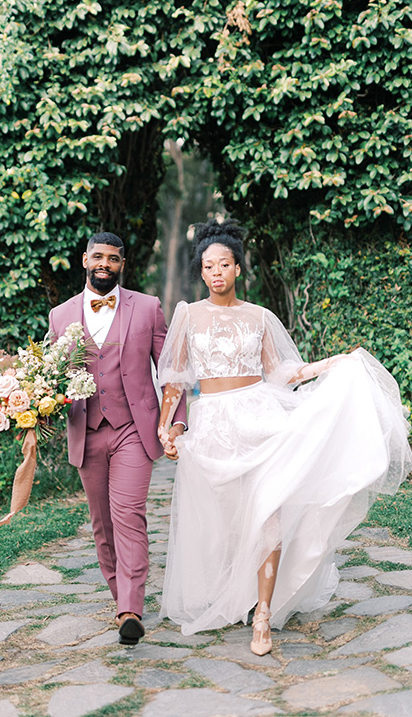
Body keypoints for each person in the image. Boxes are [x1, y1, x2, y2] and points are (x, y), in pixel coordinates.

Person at [157, 218, 412, 656]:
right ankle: (236, 596)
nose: (216, 272)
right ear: (201, 272)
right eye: (208, 266)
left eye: (224, 265)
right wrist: (167, 426)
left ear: (238, 269)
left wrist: (324, 367)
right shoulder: (188, 315)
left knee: (267, 514)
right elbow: (175, 380)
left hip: (260, 417)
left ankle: (263, 616)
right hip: (214, 425)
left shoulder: (259, 316)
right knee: (228, 524)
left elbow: (279, 373)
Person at [49, 231, 187, 645]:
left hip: (132, 428)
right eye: (98, 257)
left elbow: (172, 370)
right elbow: (52, 376)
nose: (104, 264)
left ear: (122, 264)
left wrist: (176, 422)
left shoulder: (147, 308)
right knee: (102, 525)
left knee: (129, 515)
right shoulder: (60, 316)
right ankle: (120, 600)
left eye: (113, 258)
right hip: (86, 430)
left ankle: (131, 609)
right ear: (85, 260)